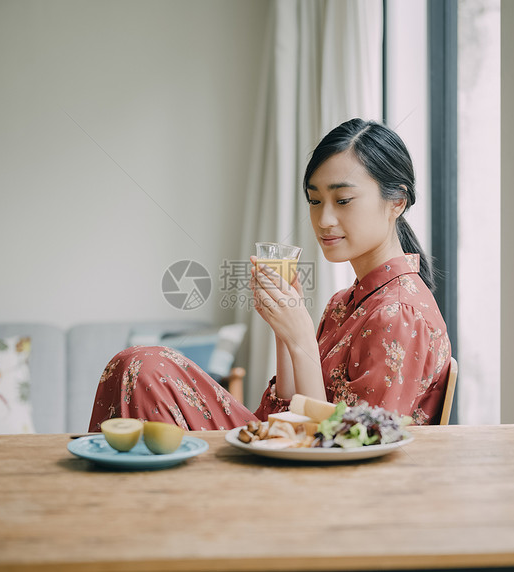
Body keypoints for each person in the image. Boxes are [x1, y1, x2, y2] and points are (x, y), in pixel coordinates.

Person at [88, 118, 452, 432]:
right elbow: (287, 408)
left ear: (397, 201)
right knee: (142, 366)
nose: (324, 219)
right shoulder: (347, 302)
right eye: (314, 200)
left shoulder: (400, 314)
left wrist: (301, 340)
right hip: (281, 446)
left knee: (144, 366)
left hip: (315, 487)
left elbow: (344, 450)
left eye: (342, 200)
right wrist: (285, 333)